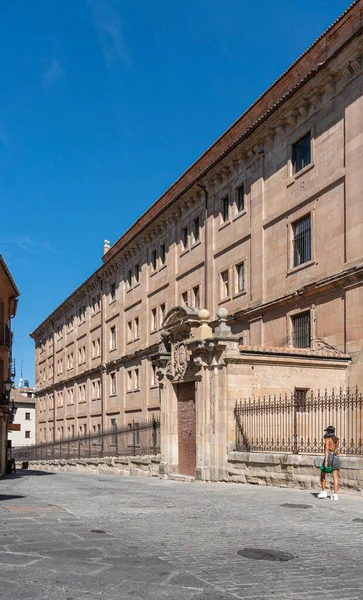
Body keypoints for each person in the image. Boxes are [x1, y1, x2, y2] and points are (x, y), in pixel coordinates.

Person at [317, 425, 341, 501]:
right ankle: (335, 495)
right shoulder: (337, 439)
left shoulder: (328, 439)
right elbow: (336, 449)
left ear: (328, 432)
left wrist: (326, 461)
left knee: (322, 474)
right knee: (336, 477)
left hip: (329, 457)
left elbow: (326, 450)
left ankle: (324, 491)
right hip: (336, 457)